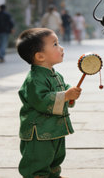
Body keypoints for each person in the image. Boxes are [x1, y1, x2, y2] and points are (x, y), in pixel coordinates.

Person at [16, 28, 81, 178]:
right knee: (38, 159)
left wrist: (70, 95)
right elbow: (41, 100)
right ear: (40, 56)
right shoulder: (34, 78)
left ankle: (54, 174)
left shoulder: (55, 74)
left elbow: (63, 93)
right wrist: (65, 95)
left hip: (53, 128)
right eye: (55, 44)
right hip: (38, 130)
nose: (61, 48)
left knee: (55, 156)